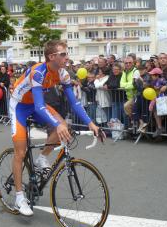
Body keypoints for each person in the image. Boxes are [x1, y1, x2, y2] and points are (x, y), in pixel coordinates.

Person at [10, 40, 101, 216]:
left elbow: (74, 102)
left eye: (66, 54)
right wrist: (56, 124)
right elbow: (38, 107)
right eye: (63, 54)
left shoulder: (63, 74)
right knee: (20, 153)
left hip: (38, 105)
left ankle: (41, 157)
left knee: (64, 126)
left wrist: (90, 123)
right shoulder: (38, 71)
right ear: (51, 56)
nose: (67, 57)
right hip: (19, 106)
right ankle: (19, 197)